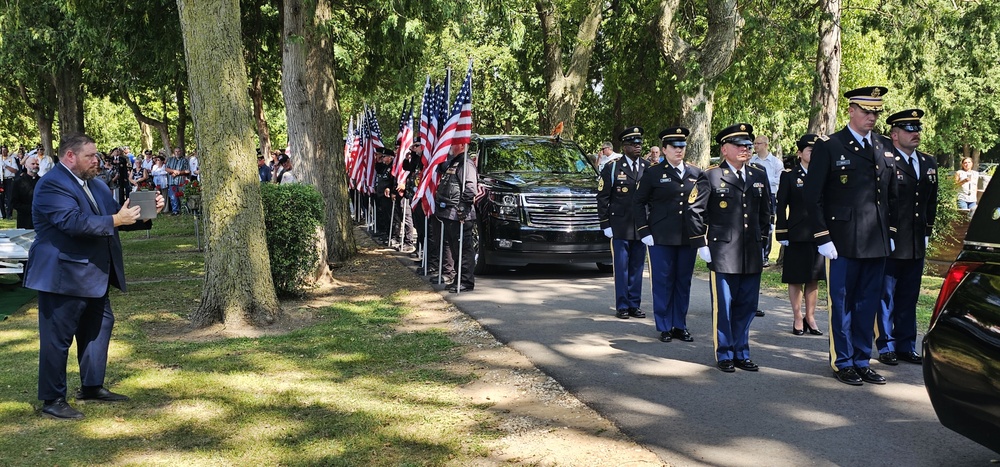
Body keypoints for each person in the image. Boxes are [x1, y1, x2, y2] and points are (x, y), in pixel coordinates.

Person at [23, 133, 165, 420]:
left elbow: (114, 218)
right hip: (62, 275)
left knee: (99, 328)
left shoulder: (97, 185)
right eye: (90, 155)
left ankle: (91, 387)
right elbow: (73, 222)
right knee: (57, 339)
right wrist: (116, 219)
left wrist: (145, 214)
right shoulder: (51, 185)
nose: (96, 160)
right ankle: (52, 399)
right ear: (70, 156)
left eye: (96, 155)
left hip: (94, 275)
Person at [803, 86, 898, 386]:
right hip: (841, 241)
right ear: (851, 111)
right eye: (867, 111)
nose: (872, 117)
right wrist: (822, 236)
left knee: (867, 303)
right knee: (842, 303)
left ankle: (861, 359)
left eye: (876, 112)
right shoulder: (830, 146)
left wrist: (890, 232)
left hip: (875, 240)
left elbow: (892, 195)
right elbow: (812, 196)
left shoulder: (883, 146)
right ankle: (842, 361)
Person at [688, 123, 771, 372]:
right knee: (724, 306)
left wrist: (763, 241)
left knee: (747, 305)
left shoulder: (758, 174)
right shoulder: (711, 175)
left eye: (747, 145)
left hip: (751, 251)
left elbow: (766, 212)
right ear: (725, 149)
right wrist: (701, 242)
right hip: (723, 252)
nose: (745, 149)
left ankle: (741, 351)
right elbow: (694, 211)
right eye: (739, 145)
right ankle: (724, 352)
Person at [877, 109, 938, 366]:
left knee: (909, 295)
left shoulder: (927, 162)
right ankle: (886, 345)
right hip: (892, 239)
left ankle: (906, 344)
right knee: (886, 295)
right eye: (909, 130)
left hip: (915, 241)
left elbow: (930, 202)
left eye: (917, 129)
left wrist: (926, 232)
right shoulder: (887, 160)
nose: (916, 134)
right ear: (894, 134)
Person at [635, 127, 701, 342]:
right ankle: (664, 325)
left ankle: (680, 324)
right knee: (663, 281)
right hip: (660, 236)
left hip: (686, 237)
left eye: (682, 146)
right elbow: (638, 202)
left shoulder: (695, 173)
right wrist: (644, 230)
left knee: (683, 281)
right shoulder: (653, 173)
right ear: (664, 149)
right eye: (674, 147)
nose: (679, 151)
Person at [775, 134, 825, 336]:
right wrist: (782, 231)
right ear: (800, 153)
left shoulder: (822, 174)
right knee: (796, 278)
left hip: (818, 233)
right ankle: (797, 316)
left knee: (814, 278)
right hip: (796, 233)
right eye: (810, 151)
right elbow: (781, 205)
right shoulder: (789, 175)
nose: (813, 155)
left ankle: (810, 317)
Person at [597, 127, 649, 319]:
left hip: (641, 227)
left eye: (640, 144)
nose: (638, 147)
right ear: (624, 147)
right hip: (619, 225)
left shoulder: (647, 168)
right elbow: (602, 197)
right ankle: (622, 305)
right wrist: (605, 224)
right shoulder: (612, 168)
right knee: (621, 267)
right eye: (634, 144)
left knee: (637, 267)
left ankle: (635, 304)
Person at [434, 141, 478, 293]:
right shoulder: (455, 162)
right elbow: (440, 168)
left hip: (460, 214)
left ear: (461, 144)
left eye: (453, 144)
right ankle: (458, 278)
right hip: (450, 213)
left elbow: (471, 188)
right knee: (455, 249)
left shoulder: (466, 164)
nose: (450, 147)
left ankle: (466, 281)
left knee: (464, 250)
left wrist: (462, 208)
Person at [749, 135, 782, 268]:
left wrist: (763, 179)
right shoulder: (751, 160)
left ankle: (765, 256)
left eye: (758, 143)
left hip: (770, 196)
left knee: (768, 225)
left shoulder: (775, 162)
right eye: (754, 143)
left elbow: (779, 179)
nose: (755, 146)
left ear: (766, 145)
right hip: (755, 195)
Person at [11, 155, 41, 228]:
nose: (35, 166)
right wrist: (30, 208)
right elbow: (14, 203)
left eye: (37, 164)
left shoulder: (42, 182)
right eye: (33, 164)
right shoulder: (18, 182)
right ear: (26, 165)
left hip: (40, 220)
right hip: (24, 220)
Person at [164, 148, 190, 215]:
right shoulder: (170, 159)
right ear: (174, 152)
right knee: (173, 197)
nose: (177, 153)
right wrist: (174, 171)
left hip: (181, 182)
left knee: (182, 197)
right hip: (172, 181)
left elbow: (188, 171)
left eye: (179, 151)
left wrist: (179, 172)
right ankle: (175, 211)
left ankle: (184, 211)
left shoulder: (184, 160)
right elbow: (166, 168)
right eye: (176, 151)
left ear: (181, 152)